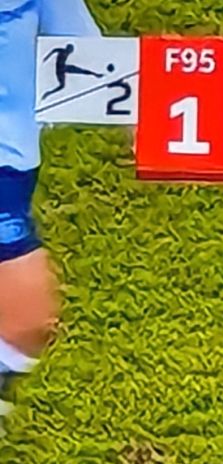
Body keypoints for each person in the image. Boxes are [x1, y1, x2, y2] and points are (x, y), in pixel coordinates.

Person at [0, 0, 103, 423]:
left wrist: (149, 99)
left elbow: (90, 56)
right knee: (30, 316)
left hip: (12, 164)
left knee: (31, 321)